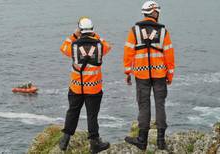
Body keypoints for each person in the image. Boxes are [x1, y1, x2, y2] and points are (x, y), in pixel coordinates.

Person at [123, 1, 175, 150]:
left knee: (143, 106)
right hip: (160, 74)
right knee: (160, 105)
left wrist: (128, 72)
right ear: (154, 12)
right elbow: (169, 55)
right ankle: (161, 141)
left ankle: (142, 140)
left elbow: (128, 52)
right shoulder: (164, 32)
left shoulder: (134, 31)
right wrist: (169, 75)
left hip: (141, 74)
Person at [59, 17, 112, 153]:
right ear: (92, 30)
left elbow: (63, 47)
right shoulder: (100, 46)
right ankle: (94, 143)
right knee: (92, 115)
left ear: (80, 30)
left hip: (76, 86)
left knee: (73, 111)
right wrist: (94, 35)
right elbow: (107, 45)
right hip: (93, 88)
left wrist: (74, 35)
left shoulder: (73, 45)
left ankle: (65, 140)